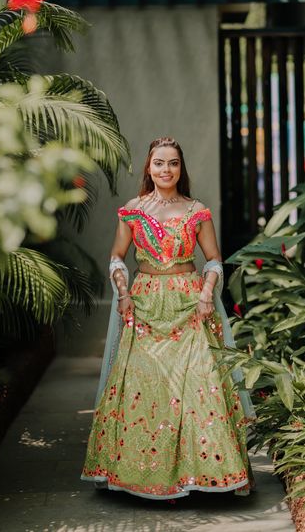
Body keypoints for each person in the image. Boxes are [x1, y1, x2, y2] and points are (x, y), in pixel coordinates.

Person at [81, 136, 255, 500]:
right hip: (143, 303)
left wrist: (207, 293)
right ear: (149, 167)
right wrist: (123, 290)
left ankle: (202, 474)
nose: (165, 170)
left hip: (190, 305)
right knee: (146, 389)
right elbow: (116, 256)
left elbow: (213, 260)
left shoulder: (197, 211)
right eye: (159, 163)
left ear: (181, 168)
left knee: (198, 387)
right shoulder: (132, 210)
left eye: (173, 163)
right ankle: (143, 477)